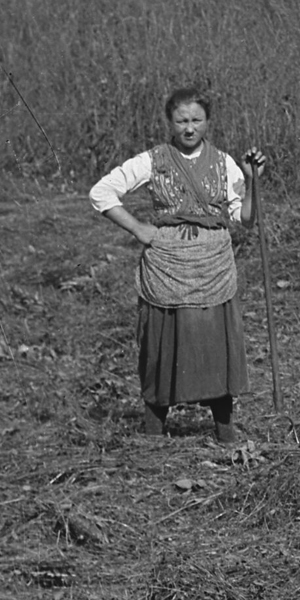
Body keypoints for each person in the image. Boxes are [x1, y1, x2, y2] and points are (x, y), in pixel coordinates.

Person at [90, 87, 266, 444]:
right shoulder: (152, 160)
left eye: (196, 120)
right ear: (169, 123)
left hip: (213, 264)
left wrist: (252, 181)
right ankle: (154, 429)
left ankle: (224, 428)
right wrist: (139, 229)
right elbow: (101, 192)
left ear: (208, 122)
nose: (189, 128)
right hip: (166, 265)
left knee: (216, 343)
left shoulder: (224, 162)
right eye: (182, 120)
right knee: (163, 342)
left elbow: (244, 219)